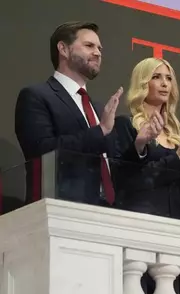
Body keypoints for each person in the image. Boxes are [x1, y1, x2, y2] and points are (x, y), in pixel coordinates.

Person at [14, 21, 123, 205]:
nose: (97, 53)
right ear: (63, 49)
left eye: (99, 48)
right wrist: (100, 130)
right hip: (59, 208)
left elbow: (113, 162)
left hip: (106, 212)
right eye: (89, 46)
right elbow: (42, 151)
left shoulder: (97, 108)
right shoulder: (36, 96)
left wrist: (140, 145)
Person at [110, 57, 180, 219]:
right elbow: (130, 181)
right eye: (156, 77)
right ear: (142, 83)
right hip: (141, 220)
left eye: (169, 78)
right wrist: (178, 157)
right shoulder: (126, 125)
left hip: (176, 224)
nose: (165, 83)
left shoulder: (177, 136)